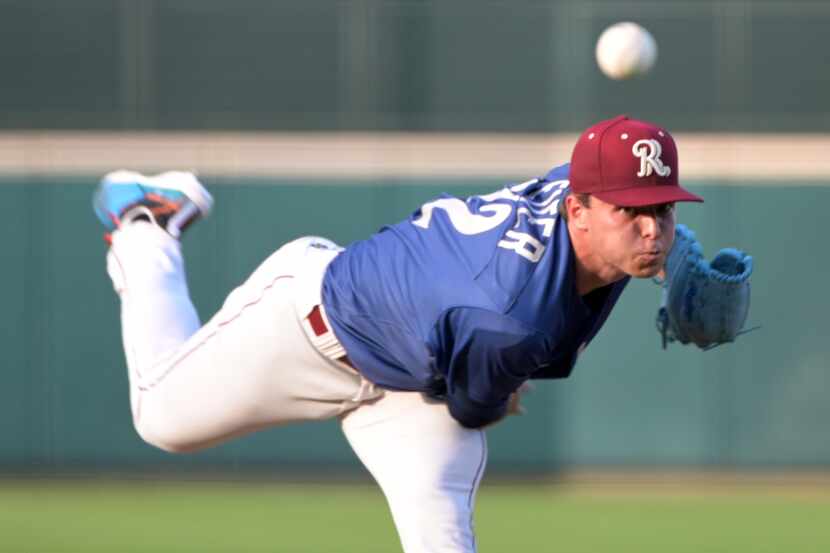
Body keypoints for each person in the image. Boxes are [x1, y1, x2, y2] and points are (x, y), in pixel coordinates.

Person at [94, 115, 702, 553]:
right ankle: (146, 223)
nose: (652, 229)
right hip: (310, 328)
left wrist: (671, 253)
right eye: (630, 211)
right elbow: (477, 405)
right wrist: (503, 388)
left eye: (664, 209)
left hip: (417, 379)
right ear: (578, 210)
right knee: (160, 420)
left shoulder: (581, 199)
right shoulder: (511, 317)